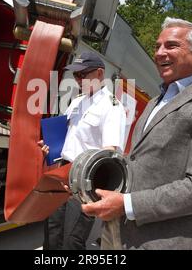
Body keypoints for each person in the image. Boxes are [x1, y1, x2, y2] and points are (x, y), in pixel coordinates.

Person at [81, 17, 192, 250]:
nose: (159, 53)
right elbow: (141, 162)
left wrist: (127, 204)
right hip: (117, 233)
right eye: (157, 46)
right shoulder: (156, 101)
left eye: (171, 46)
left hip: (160, 242)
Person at [39, 51, 127, 250]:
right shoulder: (77, 101)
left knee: (72, 240)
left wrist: (90, 190)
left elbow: (109, 153)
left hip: (82, 182)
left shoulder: (112, 106)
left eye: (82, 74)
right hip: (61, 173)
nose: (78, 79)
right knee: (52, 232)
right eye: (75, 75)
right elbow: (66, 135)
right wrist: (50, 148)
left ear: (99, 73)